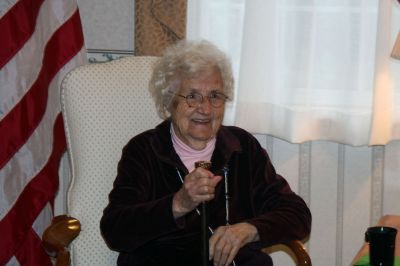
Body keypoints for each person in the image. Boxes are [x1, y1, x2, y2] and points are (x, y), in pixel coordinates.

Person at [100, 40, 312, 266]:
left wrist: (249, 230)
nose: (205, 108)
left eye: (215, 96)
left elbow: (297, 215)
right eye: (192, 96)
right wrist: (178, 204)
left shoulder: (242, 148)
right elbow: (115, 230)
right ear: (170, 100)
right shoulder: (145, 150)